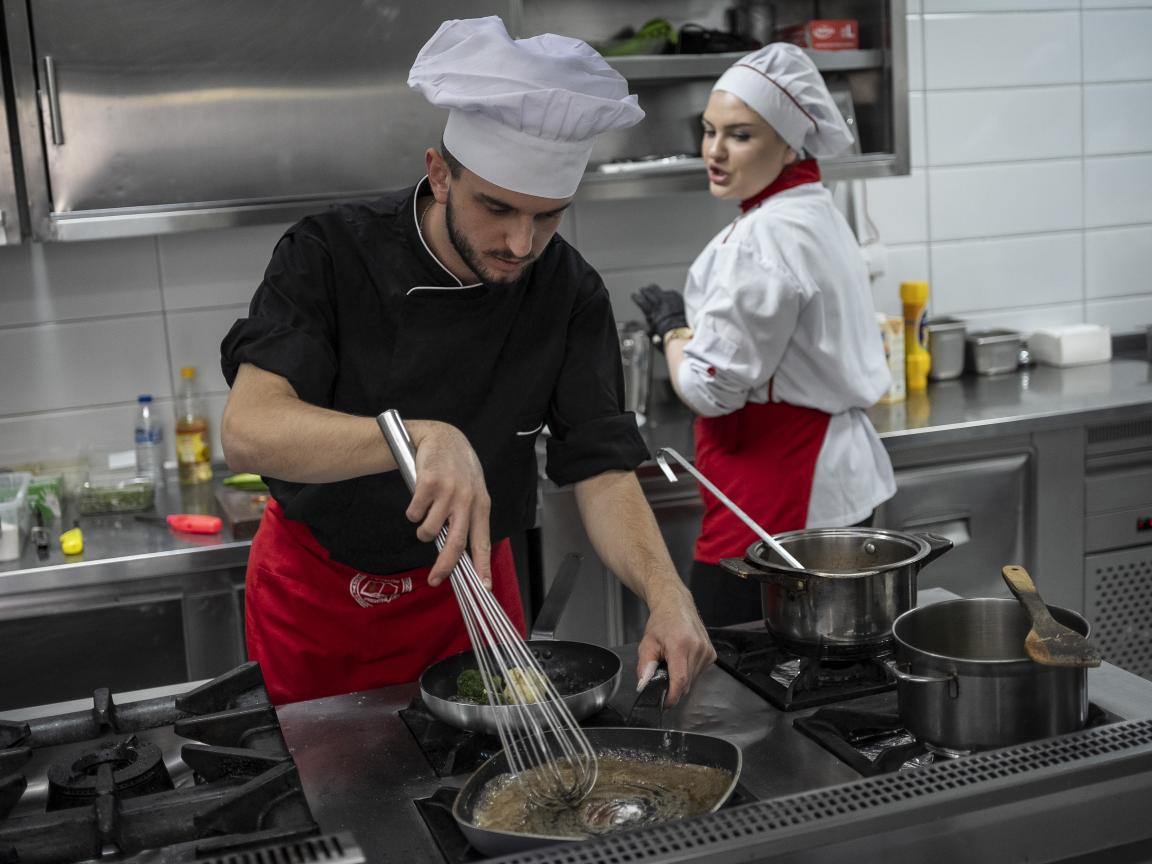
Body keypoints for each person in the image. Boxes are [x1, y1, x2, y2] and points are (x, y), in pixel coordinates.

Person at [219, 16, 715, 706]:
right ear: (440, 173)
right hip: (320, 601)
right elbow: (250, 428)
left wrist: (668, 593)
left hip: (474, 599)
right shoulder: (329, 255)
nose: (521, 242)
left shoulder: (569, 292)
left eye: (549, 217)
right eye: (498, 207)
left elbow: (599, 467)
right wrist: (419, 434)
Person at [633, 44, 896, 627]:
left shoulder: (763, 238)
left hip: (780, 484)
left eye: (741, 135)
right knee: (814, 661)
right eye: (708, 131)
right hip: (833, 479)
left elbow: (709, 387)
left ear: (787, 142)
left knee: (730, 662)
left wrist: (673, 331)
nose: (715, 152)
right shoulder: (814, 210)